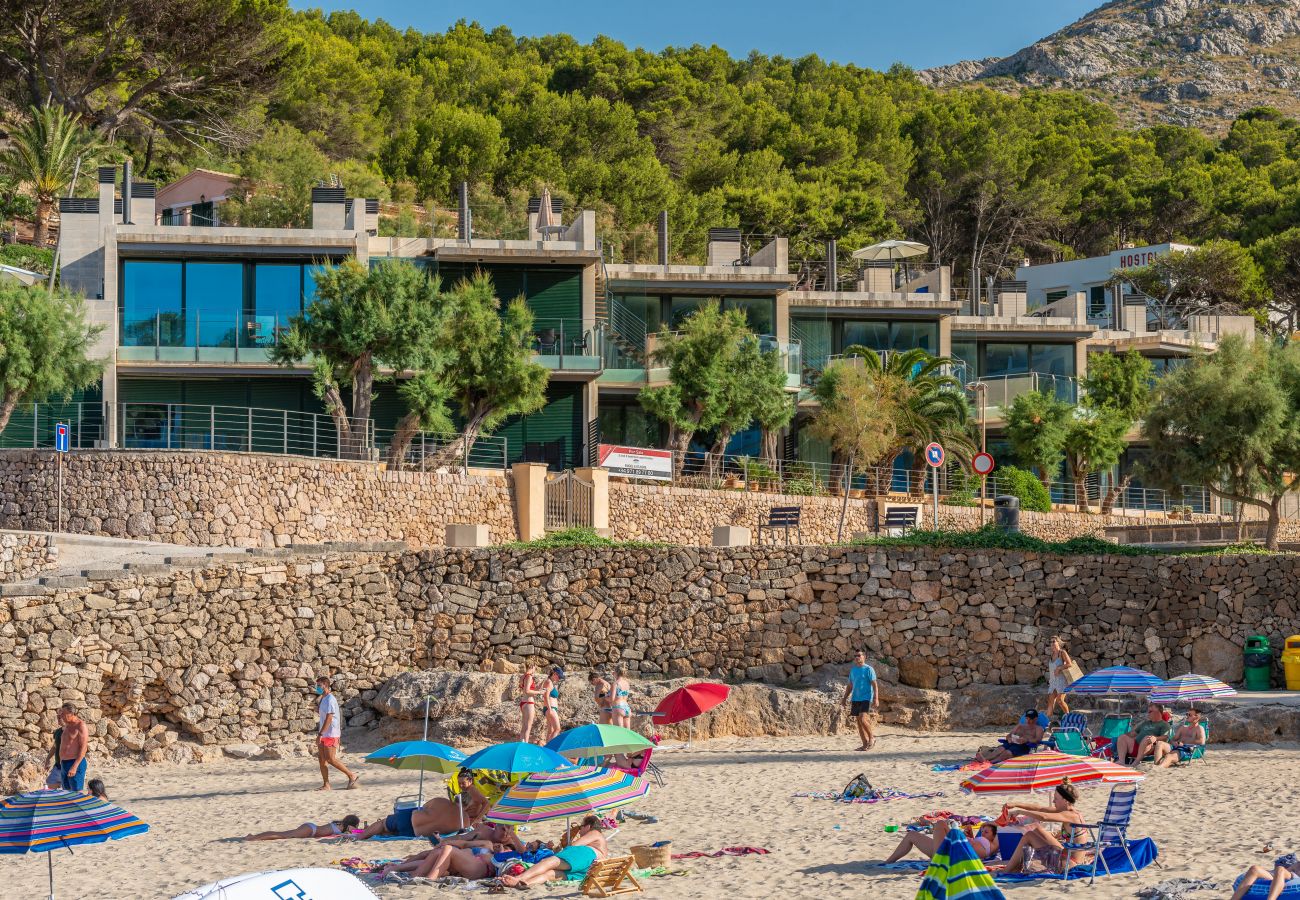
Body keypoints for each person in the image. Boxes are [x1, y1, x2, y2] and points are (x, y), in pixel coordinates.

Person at [991, 781, 1092, 874]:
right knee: (1036, 828)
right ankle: (1015, 866)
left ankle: (1008, 870)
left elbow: (1044, 816)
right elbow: (1041, 809)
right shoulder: (1071, 812)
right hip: (1068, 858)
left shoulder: (1070, 815)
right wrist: (1016, 804)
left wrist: (1019, 812)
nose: (1053, 801)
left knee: (1029, 835)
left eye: (1056, 798)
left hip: (1068, 864)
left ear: (1065, 800)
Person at [356, 770, 490, 839]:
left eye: (463, 784)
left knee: (383, 824)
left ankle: (359, 836)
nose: (461, 786)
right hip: (414, 834)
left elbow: (424, 807)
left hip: (410, 819)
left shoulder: (442, 801)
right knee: (389, 831)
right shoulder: (464, 823)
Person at [499, 815, 610, 888]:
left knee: (549, 861)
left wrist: (570, 839)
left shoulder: (594, 832)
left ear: (589, 826)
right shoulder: (600, 840)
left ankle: (519, 878)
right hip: (588, 869)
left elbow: (574, 846)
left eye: (581, 826)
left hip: (588, 856)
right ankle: (525, 883)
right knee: (550, 874)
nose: (580, 829)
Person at [314, 676, 359, 791]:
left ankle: (351, 775)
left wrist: (320, 734)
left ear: (325, 685)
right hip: (324, 733)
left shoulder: (330, 699)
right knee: (321, 758)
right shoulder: (323, 699)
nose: (317, 687)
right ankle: (326, 784)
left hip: (331, 733)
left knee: (330, 759)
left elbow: (329, 718)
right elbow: (323, 714)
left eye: (319, 685)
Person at [884, 821, 999, 863]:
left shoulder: (993, 845)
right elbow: (970, 845)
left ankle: (937, 826)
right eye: (982, 830)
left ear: (994, 835)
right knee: (911, 835)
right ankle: (888, 862)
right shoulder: (980, 840)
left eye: (986, 832)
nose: (982, 832)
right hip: (948, 851)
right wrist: (969, 836)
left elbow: (999, 825)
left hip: (951, 856)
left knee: (941, 824)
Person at [840, 650, 879, 751]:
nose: (857, 657)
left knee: (862, 718)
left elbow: (874, 684)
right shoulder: (853, 670)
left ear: (864, 657)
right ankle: (865, 744)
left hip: (866, 698)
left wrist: (876, 698)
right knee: (858, 721)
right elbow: (850, 686)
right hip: (855, 698)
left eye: (859, 655)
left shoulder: (869, 669)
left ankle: (872, 738)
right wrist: (844, 698)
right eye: (855, 656)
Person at [977, 709, 1045, 763]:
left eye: (1031, 719)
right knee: (1000, 749)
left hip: (1024, 746)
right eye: (1027, 718)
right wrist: (1009, 738)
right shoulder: (1020, 726)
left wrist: (1027, 740)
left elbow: (1037, 740)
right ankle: (985, 759)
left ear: (1036, 718)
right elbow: (1009, 735)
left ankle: (991, 762)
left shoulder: (1038, 728)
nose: (1028, 720)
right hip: (1012, 742)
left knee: (1007, 752)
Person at [1229, 853, 1300, 900]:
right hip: (1278, 875)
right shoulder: (1296, 863)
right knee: (1254, 869)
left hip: (1294, 879)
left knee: (1280, 869)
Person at [243, 814, 362, 841]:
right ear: (351, 824)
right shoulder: (342, 827)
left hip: (310, 828)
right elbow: (353, 832)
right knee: (282, 835)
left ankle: (254, 836)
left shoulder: (339, 824)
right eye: (355, 825)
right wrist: (359, 830)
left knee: (282, 833)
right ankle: (253, 838)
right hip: (310, 830)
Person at [55, 703, 89, 791]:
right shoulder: (67, 725)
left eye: (63, 713)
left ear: (71, 713)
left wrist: (75, 766)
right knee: (66, 793)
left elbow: (83, 747)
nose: (61, 715)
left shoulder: (80, 726)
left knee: (77, 794)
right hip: (64, 764)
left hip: (75, 763)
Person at [1045, 636, 1073, 719]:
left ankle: (1068, 718)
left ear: (1058, 642)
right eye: (1051, 642)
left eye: (1054, 641)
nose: (1052, 643)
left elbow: (1069, 664)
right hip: (1053, 682)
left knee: (1060, 701)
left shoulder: (1062, 652)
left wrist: (1059, 668)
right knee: (1050, 702)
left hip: (1062, 681)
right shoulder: (1052, 655)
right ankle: (1046, 723)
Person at [518, 665, 542, 743]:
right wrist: (539, 692)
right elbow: (527, 691)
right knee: (528, 728)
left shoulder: (523, 677)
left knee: (524, 727)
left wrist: (538, 688)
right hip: (529, 702)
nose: (535, 670)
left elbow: (527, 689)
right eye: (535, 668)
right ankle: (526, 747)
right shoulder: (529, 677)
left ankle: (521, 746)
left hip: (523, 702)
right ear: (532, 667)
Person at [543, 667, 565, 744]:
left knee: (551, 730)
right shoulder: (549, 682)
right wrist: (550, 709)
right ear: (555, 674)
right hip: (550, 708)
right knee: (557, 729)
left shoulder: (549, 682)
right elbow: (546, 695)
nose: (559, 679)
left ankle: (546, 749)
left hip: (549, 708)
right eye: (559, 676)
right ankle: (550, 749)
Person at [44, 715, 65, 789]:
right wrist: (48, 759)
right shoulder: (58, 732)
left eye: (60, 716)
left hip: (68, 767)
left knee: (68, 792)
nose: (58, 718)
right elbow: (54, 747)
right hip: (58, 766)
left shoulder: (72, 731)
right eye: (58, 717)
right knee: (50, 786)